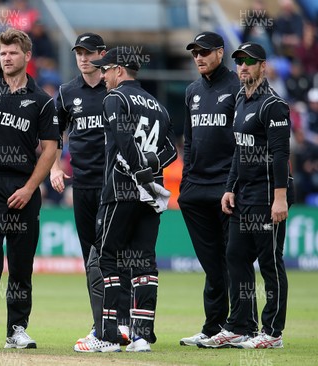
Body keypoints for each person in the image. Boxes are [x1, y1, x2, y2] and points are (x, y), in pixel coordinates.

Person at [74, 47, 177, 353]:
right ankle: (141, 335)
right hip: (149, 195)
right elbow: (171, 149)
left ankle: (107, 335)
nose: (101, 75)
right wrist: (151, 170)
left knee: (108, 258)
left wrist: (139, 171)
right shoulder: (159, 106)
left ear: (119, 70)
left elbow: (123, 139)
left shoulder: (114, 99)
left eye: (105, 69)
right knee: (144, 261)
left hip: (120, 191)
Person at [0, 28, 58, 350]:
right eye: (2, 53)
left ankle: (17, 328)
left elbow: (49, 150)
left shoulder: (42, 101)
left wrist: (31, 188)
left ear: (27, 56)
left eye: (13, 52)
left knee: (21, 264)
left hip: (23, 187)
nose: (6, 58)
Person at [205, 42, 293, 349]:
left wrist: (279, 198)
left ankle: (273, 333)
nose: (243, 66)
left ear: (262, 66)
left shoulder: (274, 105)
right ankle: (240, 326)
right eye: (239, 61)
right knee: (235, 257)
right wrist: (230, 187)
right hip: (244, 194)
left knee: (270, 262)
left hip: (268, 195)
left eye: (249, 61)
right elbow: (238, 152)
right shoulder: (241, 100)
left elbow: (281, 154)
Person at [178, 31, 246, 347]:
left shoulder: (237, 87)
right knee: (212, 263)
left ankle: (242, 326)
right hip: (196, 189)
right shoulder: (192, 90)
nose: (199, 58)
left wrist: (232, 184)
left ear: (220, 52)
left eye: (204, 52)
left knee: (233, 259)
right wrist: (187, 179)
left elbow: (244, 141)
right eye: (194, 53)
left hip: (226, 189)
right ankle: (213, 327)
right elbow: (188, 140)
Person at [49, 32, 108, 343]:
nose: (84, 59)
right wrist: (56, 167)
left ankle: (124, 323)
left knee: (115, 256)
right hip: (83, 185)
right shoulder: (66, 92)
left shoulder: (116, 88)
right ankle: (101, 324)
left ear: (102, 53)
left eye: (89, 53)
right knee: (91, 257)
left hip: (114, 186)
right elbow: (54, 134)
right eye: (79, 53)